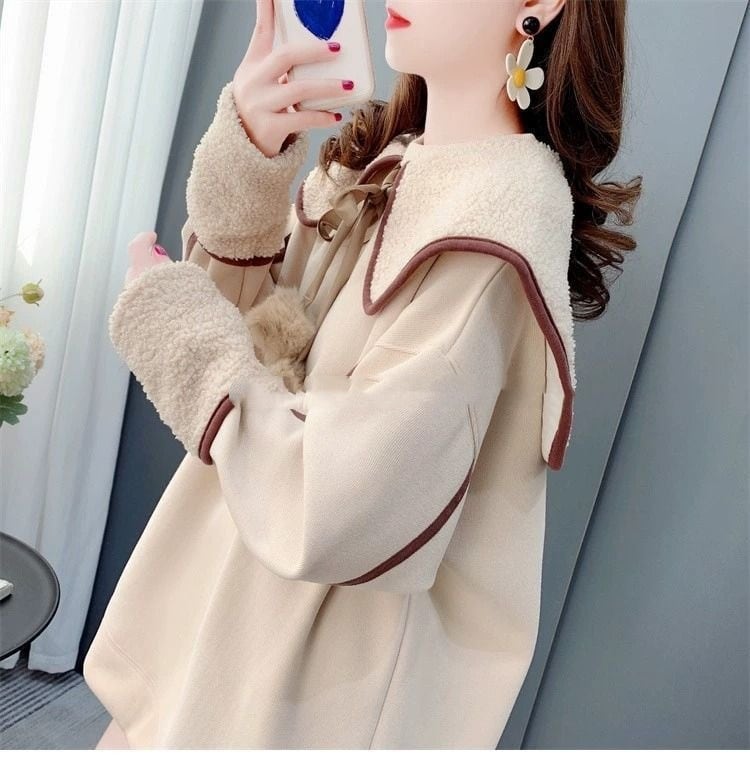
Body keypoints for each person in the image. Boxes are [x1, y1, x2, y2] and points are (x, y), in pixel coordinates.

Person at [86, 0, 641, 749]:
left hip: (295, 699)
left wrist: (180, 333)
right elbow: (262, 350)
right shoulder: (389, 165)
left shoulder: (492, 229)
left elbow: (335, 505)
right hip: (216, 633)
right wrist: (252, 159)